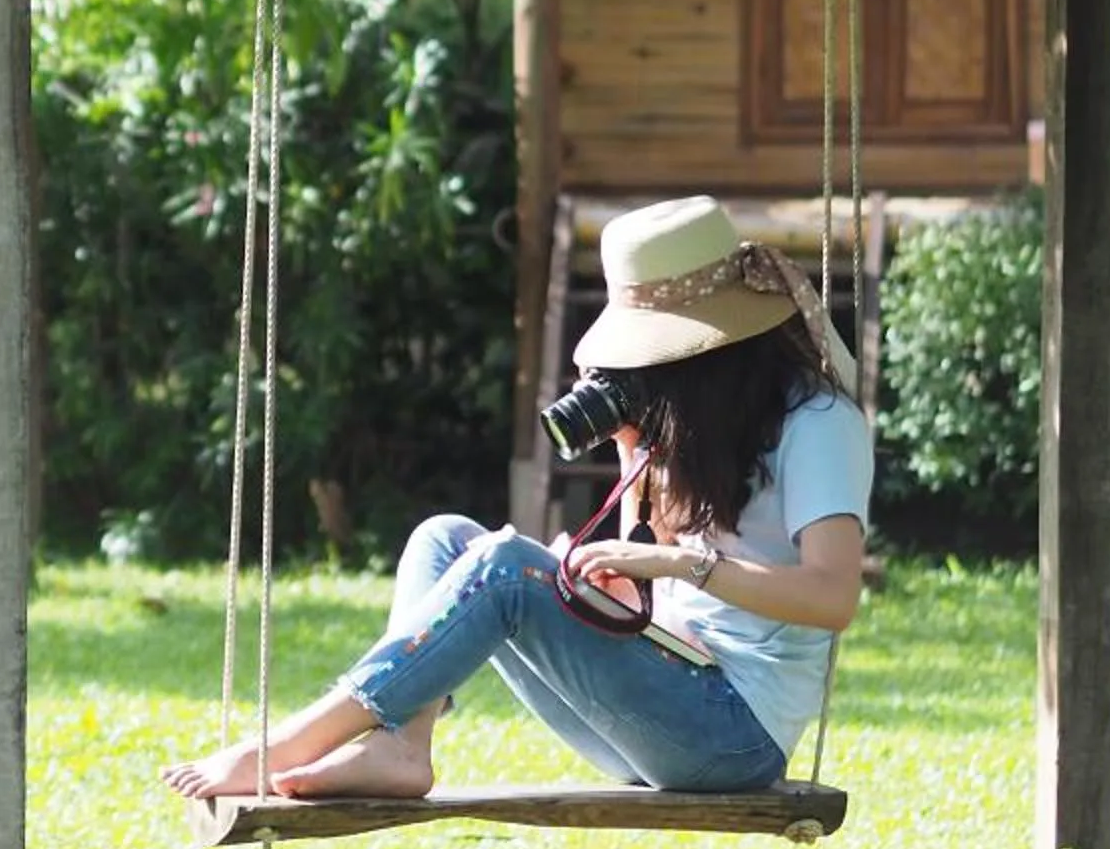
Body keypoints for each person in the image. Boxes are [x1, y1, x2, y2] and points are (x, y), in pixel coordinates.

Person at [161, 195, 871, 804]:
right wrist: (632, 464)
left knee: (505, 567)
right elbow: (647, 573)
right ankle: (401, 745)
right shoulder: (709, 425)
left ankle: (279, 747)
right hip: (663, 690)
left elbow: (833, 598)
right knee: (444, 539)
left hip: (731, 736)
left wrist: (680, 569)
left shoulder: (818, 423)